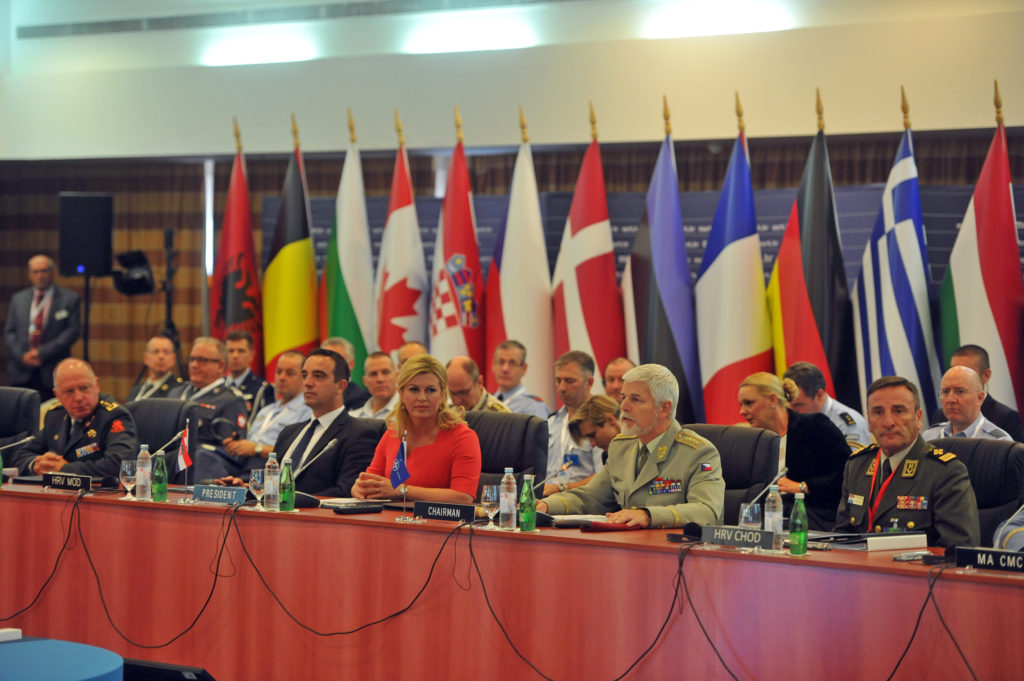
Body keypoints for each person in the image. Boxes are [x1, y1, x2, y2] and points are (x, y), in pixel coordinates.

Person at [538, 364, 724, 528]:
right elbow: (590, 497)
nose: (623, 406)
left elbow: (707, 511)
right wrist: (546, 505)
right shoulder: (621, 447)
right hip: (628, 550)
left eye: (636, 399)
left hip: (674, 556)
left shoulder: (699, 453)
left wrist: (647, 515)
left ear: (664, 408)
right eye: (623, 397)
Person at [834, 376, 980, 547]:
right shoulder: (857, 465)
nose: (888, 422)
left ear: (918, 418)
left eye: (899, 411)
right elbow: (841, 538)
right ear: (869, 423)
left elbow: (959, 549)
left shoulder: (945, 472)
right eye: (878, 412)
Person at [352, 354, 481, 503]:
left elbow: (463, 497)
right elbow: (370, 482)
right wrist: (359, 488)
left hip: (438, 524)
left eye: (430, 390)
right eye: (414, 389)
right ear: (401, 393)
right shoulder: (393, 433)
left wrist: (401, 490)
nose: (422, 397)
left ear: (442, 396)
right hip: (391, 521)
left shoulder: (463, 438)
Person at [738, 372, 849, 530]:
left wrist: (802, 487)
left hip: (816, 514)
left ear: (772, 400)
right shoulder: (755, 439)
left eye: (749, 403)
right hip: (770, 515)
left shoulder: (815, 426)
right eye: (741, 405)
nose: (742, 411)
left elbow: (847, 474)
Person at [9, 358, 137, 479]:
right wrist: (36, 464)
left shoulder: (114, 416)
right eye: (70, 391)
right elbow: (19, 456)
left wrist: (64, 469)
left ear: (96, 385)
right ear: (57, 395)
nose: (78, 397)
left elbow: (119, 465)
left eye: (84, 388)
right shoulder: (55, 415)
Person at [168, 337, 249, 482]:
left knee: (200, 456)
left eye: (202, 360)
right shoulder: (176, 392)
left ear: (220, 365)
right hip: (171, 456)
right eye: (192, 359)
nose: (194, 365)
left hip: (203, 463)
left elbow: (229, 448)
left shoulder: (230, 399)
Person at [220, 350, 312, 472]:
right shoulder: (266, 410)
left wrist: (257, 449)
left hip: (272, 468)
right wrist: (236, 445)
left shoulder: (307, 411)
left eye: (289, 373)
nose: (282, 377)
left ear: (304, 378)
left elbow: (297, 452)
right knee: (207, 455)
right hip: (244, 463)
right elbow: (249, 443)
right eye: (279, 371)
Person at [3, 255, 80, 394]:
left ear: (53, 272)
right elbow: (9, 332)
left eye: (44, 271)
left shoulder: (69, 298)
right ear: (29, 274)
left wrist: (41, 353)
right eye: (35, 272)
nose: (40, 276)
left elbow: (72, 332)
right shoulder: (18, 298)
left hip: (51, 368)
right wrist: (22, 356)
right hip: (21, 370)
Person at [931, 345, 1024, 442]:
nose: (957, 375)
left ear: (986, 375)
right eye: (954, 370)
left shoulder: (1006, 417)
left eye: (966, 371)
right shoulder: (940, 416)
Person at [540, 394, 620, 496]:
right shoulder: (551, 421)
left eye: (593, 435)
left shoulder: (637, 449)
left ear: (610, 421)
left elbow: (601, 484)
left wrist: (561, 488)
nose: (592, 444)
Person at [546, 351, 603, 490]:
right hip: (547, 500)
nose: (562, 388)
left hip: (583, 503)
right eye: (558, 381)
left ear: (589, 382)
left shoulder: (600, 423)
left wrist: (562, 488)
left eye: (570, 381)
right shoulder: (551, 422)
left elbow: (604, 476)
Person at [784, 361, 870, 449]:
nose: (792, 411)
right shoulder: (793, 422)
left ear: (819, 395)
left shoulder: (847, 425)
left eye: (798, 405)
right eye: (788, 406)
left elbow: (853, 462)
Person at [922, 366, 1013, 442]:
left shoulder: (999, 442)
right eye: (945, 392)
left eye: (960, 391)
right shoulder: (929, 437)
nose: (950, 399)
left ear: (980, 398)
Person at [491, 340, 550, 418]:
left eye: (512, 363)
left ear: (524, 368)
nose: (505, 369)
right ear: (493, 365)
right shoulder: (486, 401)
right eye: (501, 362)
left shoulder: (533, 407)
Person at [224, 330, 271, 421]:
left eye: (241, 351)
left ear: (251, 355)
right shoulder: (219, 385)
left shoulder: (262, 389)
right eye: (230, 351)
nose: (235, 356)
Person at [125, 334, 182, 401]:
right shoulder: (136, 390)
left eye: (166, 352)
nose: (161, 356)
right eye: (156, 352)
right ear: (146, 358)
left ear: (173, 358)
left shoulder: (179, 390)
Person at [321, 337, 370, 411]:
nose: (330, 365)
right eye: (326, 360)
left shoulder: (360, 397)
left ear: (351, 364)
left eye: (337, 360)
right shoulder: (314, 393)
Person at [351, 351, 399, 419]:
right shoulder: (353, 418)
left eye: (385, 372)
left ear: (397, 376)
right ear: (365, 381)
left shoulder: (409, 415)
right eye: (373, 374)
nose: (380, 379)